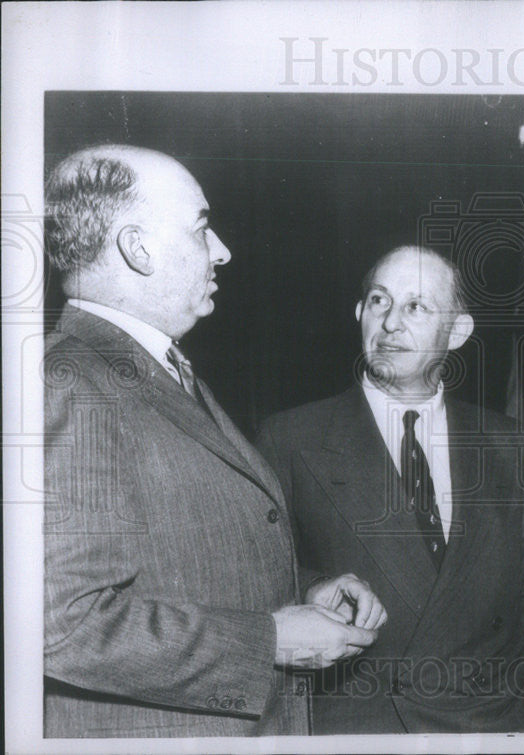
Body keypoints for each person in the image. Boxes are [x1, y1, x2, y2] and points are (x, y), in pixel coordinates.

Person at [43, 145, 385, 738]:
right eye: (201, 227)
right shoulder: (72, 380)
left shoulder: (151, 368)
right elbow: (64, 624)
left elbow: (186, 558)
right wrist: (272, 641)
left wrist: (307, 591)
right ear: (138, 248)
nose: (222, 250)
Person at [256, 246, 524, 733]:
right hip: (363, 725)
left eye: (416, 306)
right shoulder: (291, 438)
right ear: (359, 314)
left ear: (457, 331)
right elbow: (253, 577)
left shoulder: (510, 443)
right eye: (379, 301)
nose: (391, 322)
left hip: (495, 722)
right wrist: (312, 586)